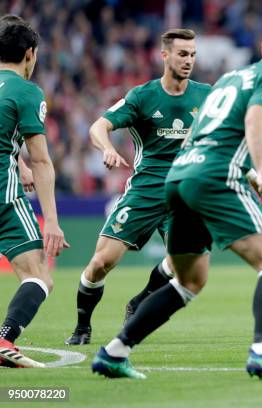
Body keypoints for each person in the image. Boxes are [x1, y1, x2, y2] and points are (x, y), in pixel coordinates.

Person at [91, 16, 262, 381]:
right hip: (215, 177)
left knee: (188, 281)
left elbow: (200, 130)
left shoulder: (230, 78)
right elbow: (256, 118)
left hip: (180, 176)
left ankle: (114, 353)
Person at [65, 29, 212, 345]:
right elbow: (98, 126)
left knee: (180, 265)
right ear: (165, 55)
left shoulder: (206, 95)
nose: (188, 60)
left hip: (185, 195)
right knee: (101, 263)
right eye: (182, 54)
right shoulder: (142, 96)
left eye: (192, 54)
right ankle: (82, 326)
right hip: (146, 190)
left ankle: (140, 301)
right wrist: (106, 147)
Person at [0, 15, 69, 367]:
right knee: (39, 276)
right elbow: (42, 161)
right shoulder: (26, 91)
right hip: (2, 194)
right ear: (30, 54)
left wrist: (18, 164)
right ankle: (5, 339)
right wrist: (52, 222)